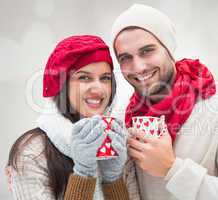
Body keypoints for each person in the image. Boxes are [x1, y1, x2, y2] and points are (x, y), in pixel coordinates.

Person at [110, 4, 218, 200]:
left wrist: (172, 169)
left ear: (168, 49)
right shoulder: (125, 119)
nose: (138, 67)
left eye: (147, 51)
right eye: (125, 58)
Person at [6, 35, 139, 200]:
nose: (98, 88)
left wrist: (113, 179)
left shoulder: (117, 144)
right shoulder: (32, 154)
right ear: (61, 85)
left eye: (105, 78)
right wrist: (83, 173)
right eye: (84, 77)